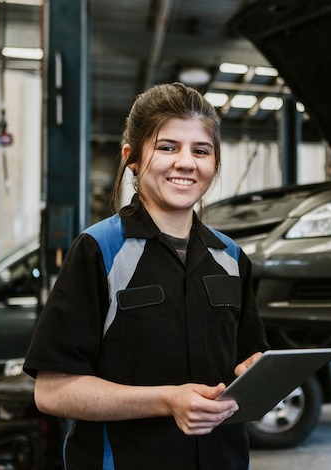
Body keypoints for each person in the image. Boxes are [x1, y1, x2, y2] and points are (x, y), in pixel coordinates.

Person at [23, 82, 269, 469]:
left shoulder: (231, 257)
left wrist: (254, 370)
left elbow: (248, 356)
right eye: (167, 147)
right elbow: (52, 392)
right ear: (132, 157)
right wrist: (168, 400)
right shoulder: (99, 249)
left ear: (214, 163)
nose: (186, 162)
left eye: (200, 150)